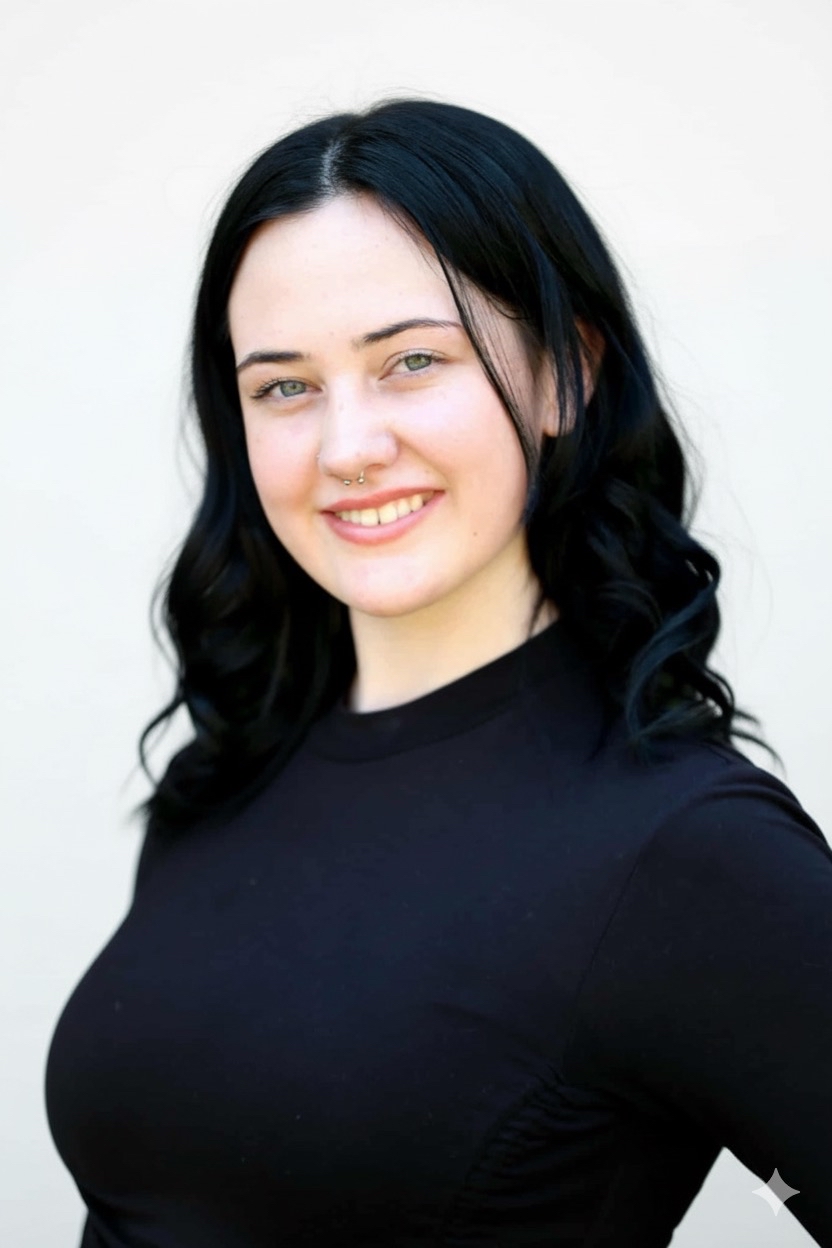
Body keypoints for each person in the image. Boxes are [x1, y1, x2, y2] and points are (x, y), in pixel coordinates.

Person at [44, 97, 832, 1247]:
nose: (347, 447)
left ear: (565, 375)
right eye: (284, 386)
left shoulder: (685, 851)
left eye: (411, 361)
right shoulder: (228, 771)